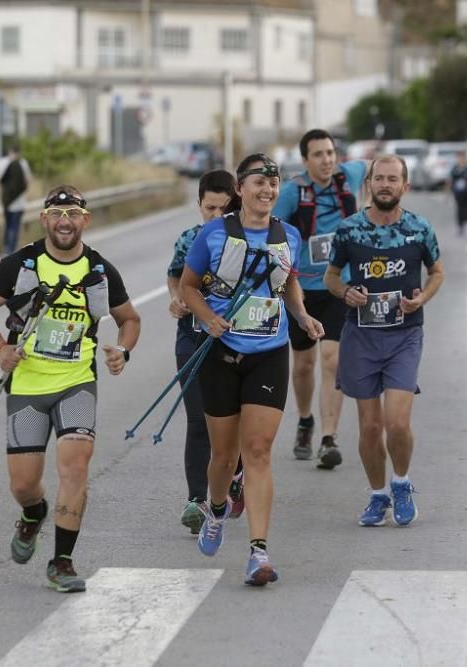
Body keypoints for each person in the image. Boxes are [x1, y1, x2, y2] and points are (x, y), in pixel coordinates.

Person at [0, 185, 141, 592]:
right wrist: (0, 348)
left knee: (75, 468)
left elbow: (129, 319)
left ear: (86, 220)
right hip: (27, 386)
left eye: (73, 213)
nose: (66, 221)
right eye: (57, 213)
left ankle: (62, 561)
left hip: (76, 383)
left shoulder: (99, 271)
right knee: (24, 485)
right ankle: (33, 514)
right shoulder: (21, 264)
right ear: (44, 219)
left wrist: (123, 350)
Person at [180, 153, 324, 585]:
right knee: (224, 457)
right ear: (240, 189)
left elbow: (289, 281)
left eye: (273, 183)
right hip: (221, 353)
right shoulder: (213, 233)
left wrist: (301, 316)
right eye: (258, 182)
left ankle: (258, 553)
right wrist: (207, 317)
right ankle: (218, 508)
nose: (267, 190)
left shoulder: (289, 235)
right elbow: (189, 285)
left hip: (269, 352)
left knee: (258, 451)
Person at [323, 154, 444, 527]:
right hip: (360, 336)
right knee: (370, 427)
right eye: (379, 178)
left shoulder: (419, 229)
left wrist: (421, 297)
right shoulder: (349, 230)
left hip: (404, 335)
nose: (386, 184)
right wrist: (346, 294)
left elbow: (436, 271)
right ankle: (378, 495)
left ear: (405, 186)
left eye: (393, 179)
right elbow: (330, 276)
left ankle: (402, 482)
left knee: (397, 423)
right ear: (369, 185)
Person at [273, 128, 367, 469]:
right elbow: (272, 232)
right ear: (305, 161)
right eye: (318, 154)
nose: (327, 160)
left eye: (330, 153)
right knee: (304, 364)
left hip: (337, 287)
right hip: (300, 291)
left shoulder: (350, 175)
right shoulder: (292, 193)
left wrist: (371, 201)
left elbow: (377, 166)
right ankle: (304, 419)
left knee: (332, 360)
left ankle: (329, 438)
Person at [166, 170, 246, 534]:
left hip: (235, 341)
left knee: (232, 422)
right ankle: (197, 500)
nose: (216, 216)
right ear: (198, 205)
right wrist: (177, 299)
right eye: (209, 208)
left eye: (223, 209)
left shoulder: (249, 241)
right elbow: (175, 276)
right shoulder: (189, 240)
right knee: (198, 421)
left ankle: (236, 473)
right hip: (193, 338)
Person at [0, 145, 33, 255]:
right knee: (14, 225)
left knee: (9, 224)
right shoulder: (23, 163)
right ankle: (10, 250)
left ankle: (7, 248)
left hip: (6, 200)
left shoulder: (2, 163)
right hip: (18, 201)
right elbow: (28, 180)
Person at [448, 151, 467, 236]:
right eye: (459, 158)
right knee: (459, 208)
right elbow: (450, 179)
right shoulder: (455, 168)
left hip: (465, 191)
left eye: (462, 158)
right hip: (457, 191)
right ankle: (460, 226)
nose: (460, 159)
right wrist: (449, 189)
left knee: (465, 208)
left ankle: (464, 224)